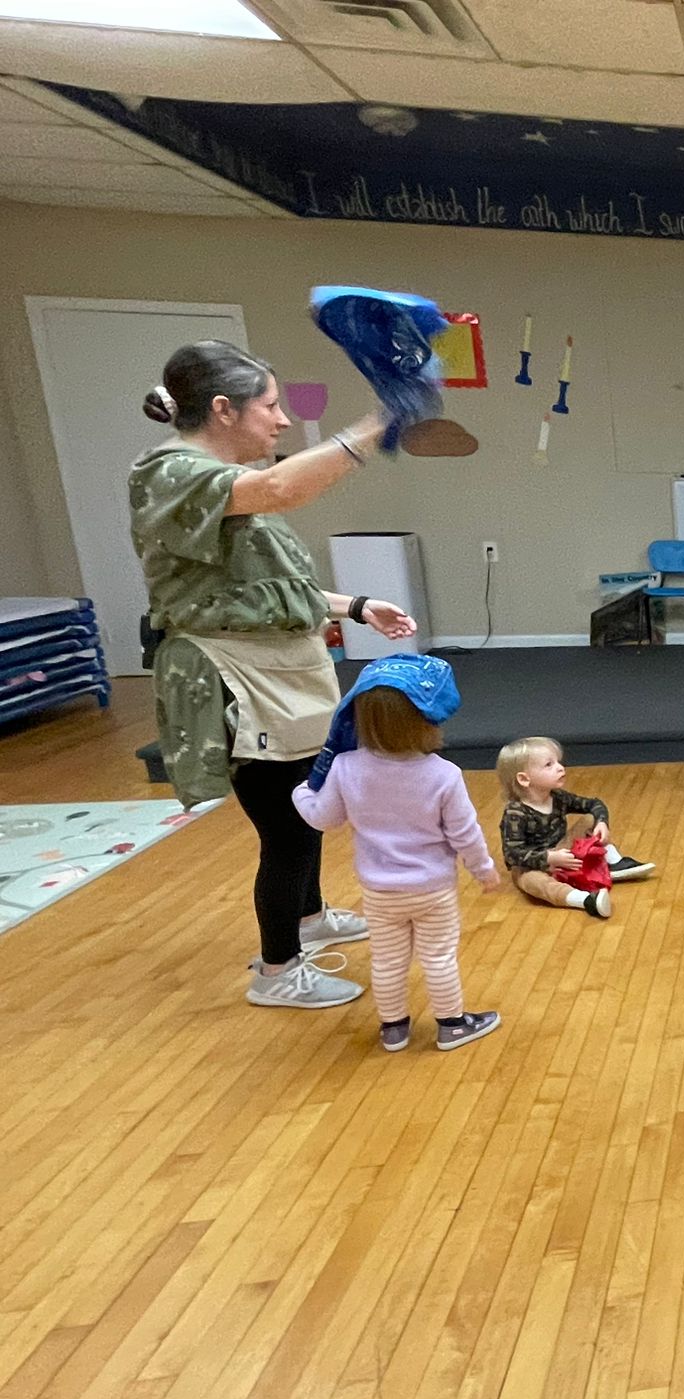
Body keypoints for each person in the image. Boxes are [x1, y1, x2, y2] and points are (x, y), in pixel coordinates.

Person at [130, 340, 417, 1010]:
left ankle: (310, 919)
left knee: (309, 805)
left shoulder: (232, 494)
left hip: (280, 670)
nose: (282, 420)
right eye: (270, 405)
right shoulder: (169, 472)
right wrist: (378, 423)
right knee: (288, 824)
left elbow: (271, 590)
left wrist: (359, 606)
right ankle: (277, 969)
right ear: (224, 410)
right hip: (235, 675)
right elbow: (286, 485)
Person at [291, 657, 501, 1051]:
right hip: (432, 890)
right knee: (438, 958)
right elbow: (464, 834)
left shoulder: (345, 767)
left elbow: (323, 819)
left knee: (387, 961)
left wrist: (300, 790)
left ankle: (393, 1028)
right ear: (428, 720)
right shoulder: (444, 775)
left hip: (379, 893)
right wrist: (483, 870)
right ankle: (452, 1025)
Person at [496, 736, 655, 920]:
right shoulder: (515, 813)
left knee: (590, 819)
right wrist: (549, 858)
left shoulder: (557, 797)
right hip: (533, 865)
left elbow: (594, 804)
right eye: (549, 765)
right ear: (524, 779)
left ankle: (614, 862)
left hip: (563, 851)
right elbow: (512, 854)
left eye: (558, 762)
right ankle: (585, 900)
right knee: (533, 882)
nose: (560, 767)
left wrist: (602, 822)